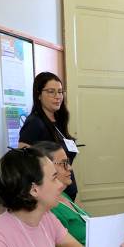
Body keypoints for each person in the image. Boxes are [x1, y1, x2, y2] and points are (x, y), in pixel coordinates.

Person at [31, 140, 124, 247]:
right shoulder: (48, 209)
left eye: (68, 162)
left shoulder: (63, 197)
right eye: (63, 163)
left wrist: (115, 238)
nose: (70, 168)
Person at [19, 72, 79, 201]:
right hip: (50, 197)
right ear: (39, 95)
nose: (58, 97)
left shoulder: (59, 120)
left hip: (66, 193)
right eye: (51, 92)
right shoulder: (34, 123)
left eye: (60, 92)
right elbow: (24, 162)